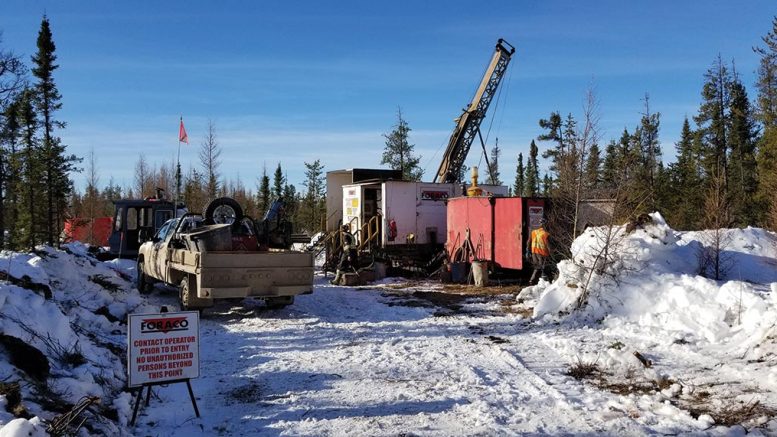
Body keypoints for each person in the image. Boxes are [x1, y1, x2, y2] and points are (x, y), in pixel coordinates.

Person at [527, 219, 550, 284]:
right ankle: (545, 282)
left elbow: (528, 241)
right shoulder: (545, 234)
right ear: (545, 224)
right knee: (543, 267)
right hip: (542, 253)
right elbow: (548, 246)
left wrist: (527, 250)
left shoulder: (533, 232)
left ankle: (532, 280)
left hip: (534, 252)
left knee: (537, 267)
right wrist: (551, 254)